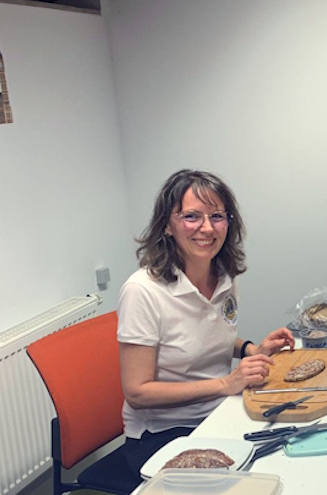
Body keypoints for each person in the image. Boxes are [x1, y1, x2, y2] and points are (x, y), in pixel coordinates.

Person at [117, 169, 295, 473]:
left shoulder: (223, 276)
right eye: (191, 217)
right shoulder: (142, 291)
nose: (206, 228)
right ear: (167, 226)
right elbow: (137, 391)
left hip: (219, 412)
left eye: (217, 216)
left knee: (290, 449)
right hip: (163, 434)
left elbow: (207, 336)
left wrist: (253, 349)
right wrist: (226, 383)